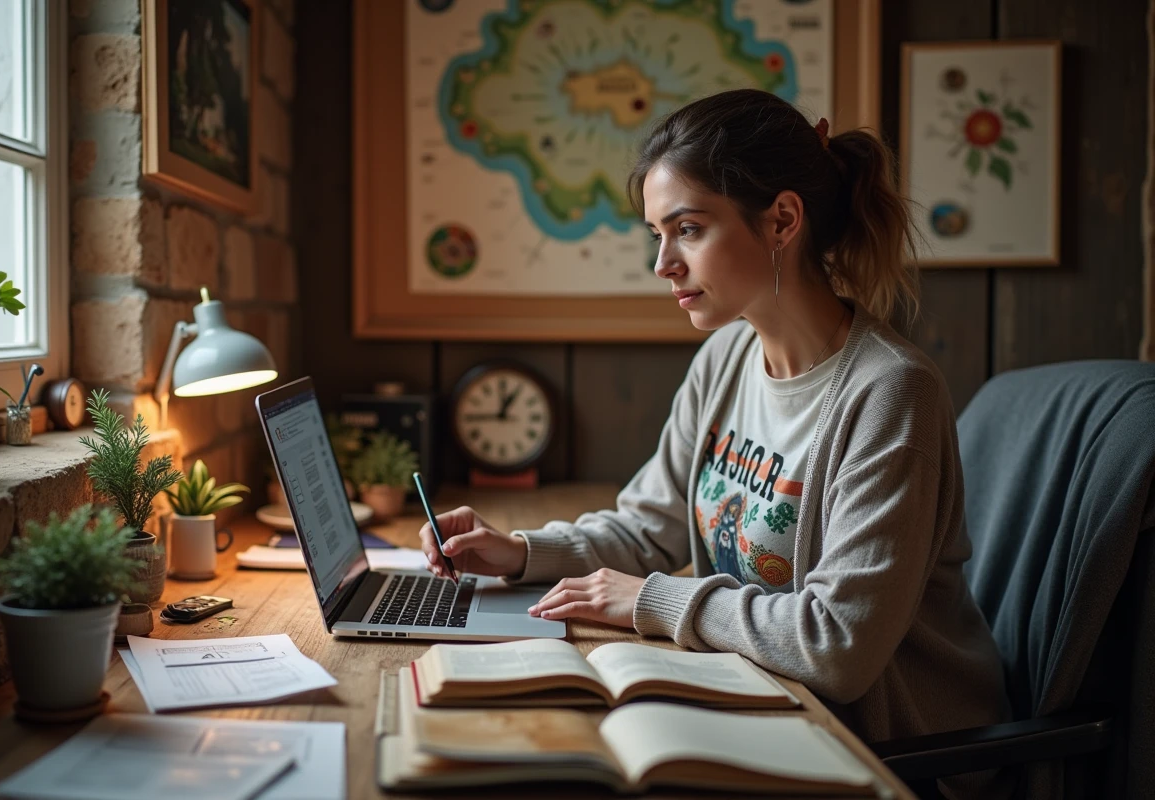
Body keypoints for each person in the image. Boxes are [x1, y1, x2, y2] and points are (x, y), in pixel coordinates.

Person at [418, 89, 1011, 798]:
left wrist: (655, 600)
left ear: (782, 220)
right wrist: (521, 552)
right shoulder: (726, 357)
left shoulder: (890, 392)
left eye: (689, 229)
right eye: (656, 235)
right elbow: (650, 524)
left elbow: (838, 645)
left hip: (885, 752)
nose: (663, 263)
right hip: (769, 703)